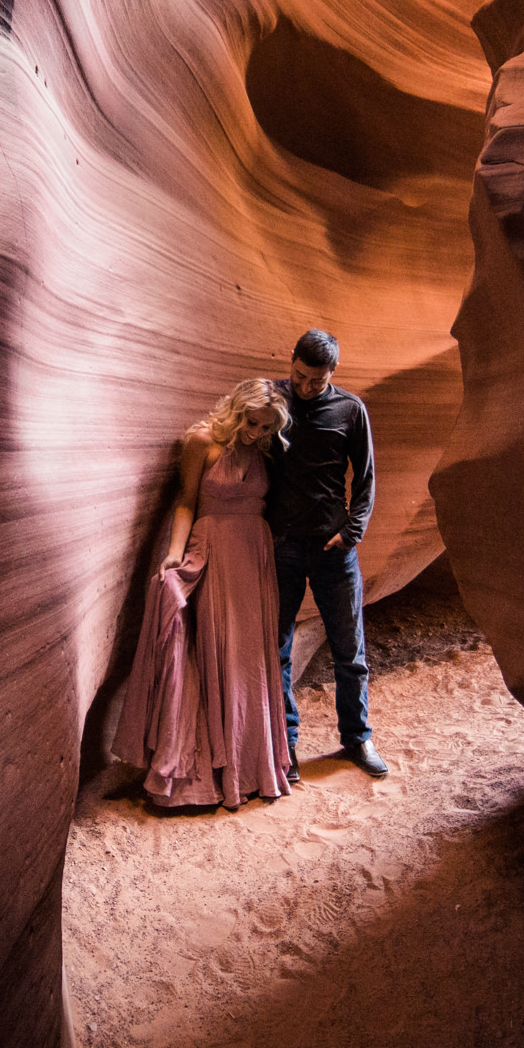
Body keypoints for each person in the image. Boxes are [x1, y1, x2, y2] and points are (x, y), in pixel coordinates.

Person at [110, 380, 295, 808]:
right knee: (215, 654)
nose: (255, 432)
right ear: (236, 410)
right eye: (251, 422)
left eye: (265, 427)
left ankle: (251, 769)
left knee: (249, 661)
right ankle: (210, 775)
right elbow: (185, 502)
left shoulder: (264, 448)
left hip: (254, 557)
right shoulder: (202, 441)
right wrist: (174, 554)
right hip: (213, 551)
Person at [270, 329, 388, 779]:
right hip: (281, 547)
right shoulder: (273, 399)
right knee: (276, 648)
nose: (303, 387)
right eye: (298, 376)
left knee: (349, 649)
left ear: (332, 373)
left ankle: (357, 739)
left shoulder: (350, 410)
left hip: (331, 549)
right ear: (292, 361)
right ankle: (286, 745)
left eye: (314, 381)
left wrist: (352, 532)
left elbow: (366, 478)